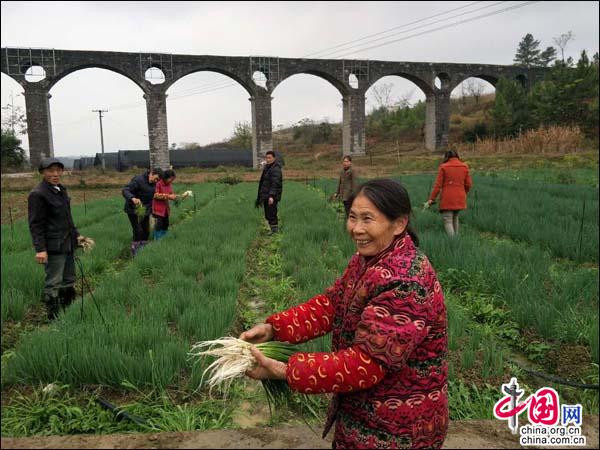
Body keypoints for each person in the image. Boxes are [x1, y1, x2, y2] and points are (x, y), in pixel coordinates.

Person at [241, 179, 448, 449]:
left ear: (398, 224)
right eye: (352, 217)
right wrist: (274, 329)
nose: (357, 229)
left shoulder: (406, 281)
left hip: (397, 430)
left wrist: (285, 370)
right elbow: (333, 304)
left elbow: (368, 363)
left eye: (367, 219)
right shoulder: (368, 259)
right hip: (362, 415)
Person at [28, 158, 90, 320]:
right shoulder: (38, 194)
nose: (55, 174)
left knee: (69, 278)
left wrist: (77, 236)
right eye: (51, 171)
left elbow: (67, 218)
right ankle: (53, 317)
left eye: (58, 170)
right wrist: (40, 249)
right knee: (54, 281)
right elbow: (36, 224)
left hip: (67, 242)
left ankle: (69, 312)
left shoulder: (61, 189)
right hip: (53, 245)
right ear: (42, 172)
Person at [424, 149, 472, 237]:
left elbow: (438, 185)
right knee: (455, 217)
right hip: (460, 197)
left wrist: (431, 199)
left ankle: (453, 242)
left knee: (447, 219)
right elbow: (469, 184)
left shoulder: (444, 167)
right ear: (457, 156)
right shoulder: (464, 167)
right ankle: (456, 239)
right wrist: (463, 193)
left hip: (448, 198)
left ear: (446, 157)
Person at [122, 167, 162, 256]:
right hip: (133, 209)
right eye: (156, 178)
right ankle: (135, 252)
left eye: (158, 180)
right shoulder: (138, 180)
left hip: (145, 210)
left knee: (146, 231)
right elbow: (125, 190)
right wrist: (133, 198)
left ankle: (143, 250)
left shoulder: (155, 184)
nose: (156, 181)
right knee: (138, 231)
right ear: (151, 173)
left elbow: (153, 198)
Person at [255, 150, 283, 235]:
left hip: (271, 196)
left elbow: (275, 183)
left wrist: (271, 196)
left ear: (274, 158)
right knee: (268, 214)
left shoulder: (275, 169)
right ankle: (272, 230)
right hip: (266, 195)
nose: (267, 159)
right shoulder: (268, 167)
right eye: (266, 158)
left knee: (271, 214)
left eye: (269, 158)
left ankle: (275, 232)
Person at [152, 169, 178, 240]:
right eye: (171, 179)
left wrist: (176, 197)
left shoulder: (169, 184)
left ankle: (164, 239)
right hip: (158, 208)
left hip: (166, 208)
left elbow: (171, 193)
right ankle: (157, 239)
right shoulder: (158, 183)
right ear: (166, 177)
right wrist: (168, 196)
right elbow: (155, 195)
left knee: (166, 224)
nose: (172, 181)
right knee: (159, 224)